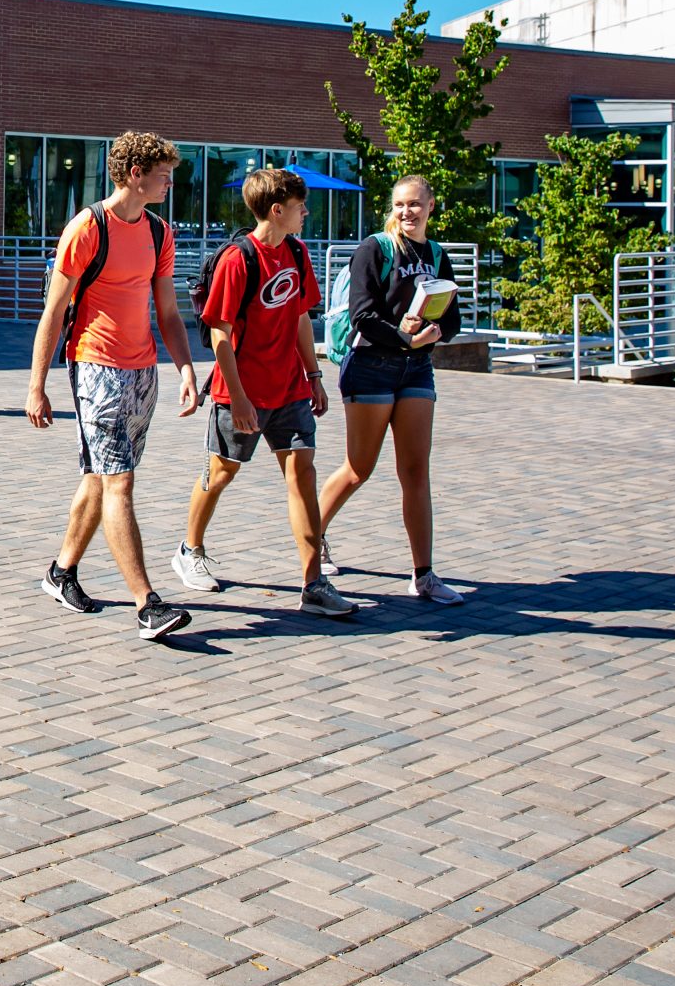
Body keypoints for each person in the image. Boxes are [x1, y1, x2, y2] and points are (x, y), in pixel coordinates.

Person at [26, 131, 200, 640]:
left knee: (102, 478)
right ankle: (148, 604)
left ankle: (60, 572)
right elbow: (54, 312)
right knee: (119, 481)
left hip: (142, 369)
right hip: (95, 365)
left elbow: (167, 311)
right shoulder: (87, 228)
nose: (170, 180)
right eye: (162, 173)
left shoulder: (159, 233)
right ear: (134, 175)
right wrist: (37, 386)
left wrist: (186, 369)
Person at [175, 167, 352, 617]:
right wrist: (237, 398)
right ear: (277, 210)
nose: (306, 214)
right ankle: (189, 548)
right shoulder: (239, 260)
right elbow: (219, 333)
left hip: (290, 389)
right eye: (299, 207)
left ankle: (313, 584)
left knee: (303, 476)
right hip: (242, 392)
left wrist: (313, 375)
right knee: (221, 473)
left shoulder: (296, 250)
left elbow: (299, 317)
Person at [316, 176, 466, 605]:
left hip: (416, 369)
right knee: (358, 468)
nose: (407, 212)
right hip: (371, 368)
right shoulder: (375, 249)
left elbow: (453, 318)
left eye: (416, 204)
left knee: (416, 473)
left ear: (431, 206)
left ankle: (424, 574)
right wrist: (404, 337)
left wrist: (432, 333)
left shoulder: (436, 254)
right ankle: (313, 535)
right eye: (400, 204)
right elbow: (363, 316)